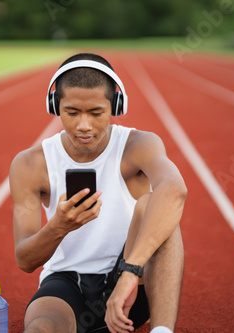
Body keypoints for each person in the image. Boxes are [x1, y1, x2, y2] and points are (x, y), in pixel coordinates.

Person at [10, 52, 187, 333]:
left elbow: (175, 191)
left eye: (96, 113)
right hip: (66, 281)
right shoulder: (30, 164)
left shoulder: (138, 145)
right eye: (72, 112)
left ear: (115, 106)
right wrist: (58, 226)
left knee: (156, 207)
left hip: (130, 279)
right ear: (55, 106)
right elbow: (25, 260)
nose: (84, 125)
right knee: (40, 329)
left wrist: (130, 273)